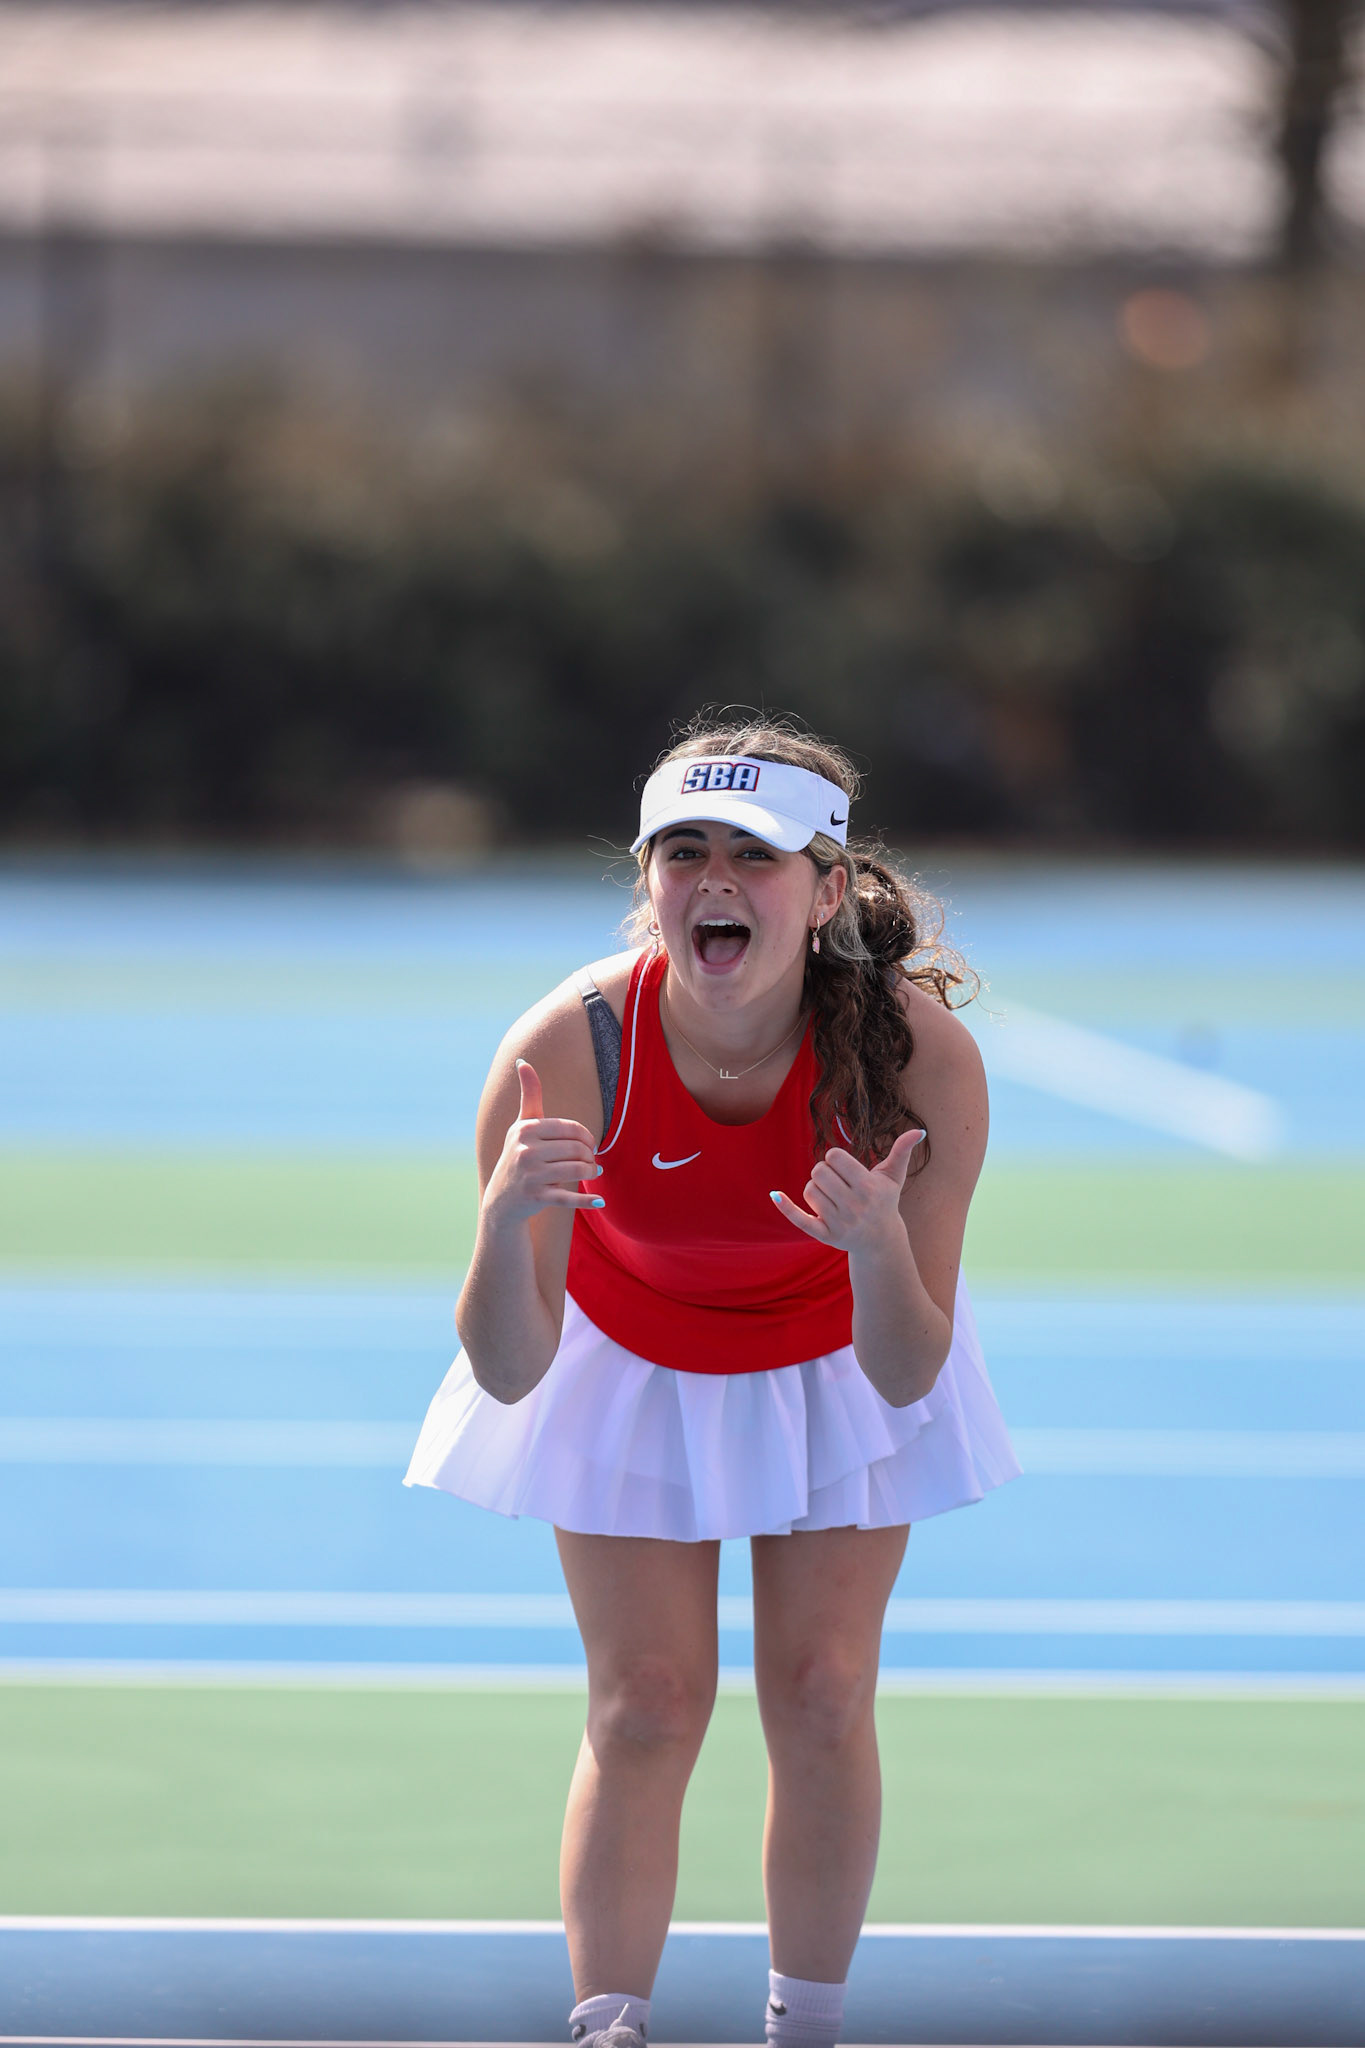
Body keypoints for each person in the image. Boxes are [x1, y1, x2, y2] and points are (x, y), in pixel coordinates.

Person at [405, 718, 1019, 2048]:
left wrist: (869, 1250)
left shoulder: (918, 1062)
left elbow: (907, 1367)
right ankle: (610, 2026)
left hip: (839, 1349)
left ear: (828, 890)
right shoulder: (565, 1050)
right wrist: (506, 1223)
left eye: (757, 852)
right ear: (649, 884)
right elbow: (509, 1373)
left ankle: (805, 2025)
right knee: (644, 1704)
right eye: (683, 852)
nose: (716, 879)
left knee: (819, 1688)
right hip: (626, 1350)